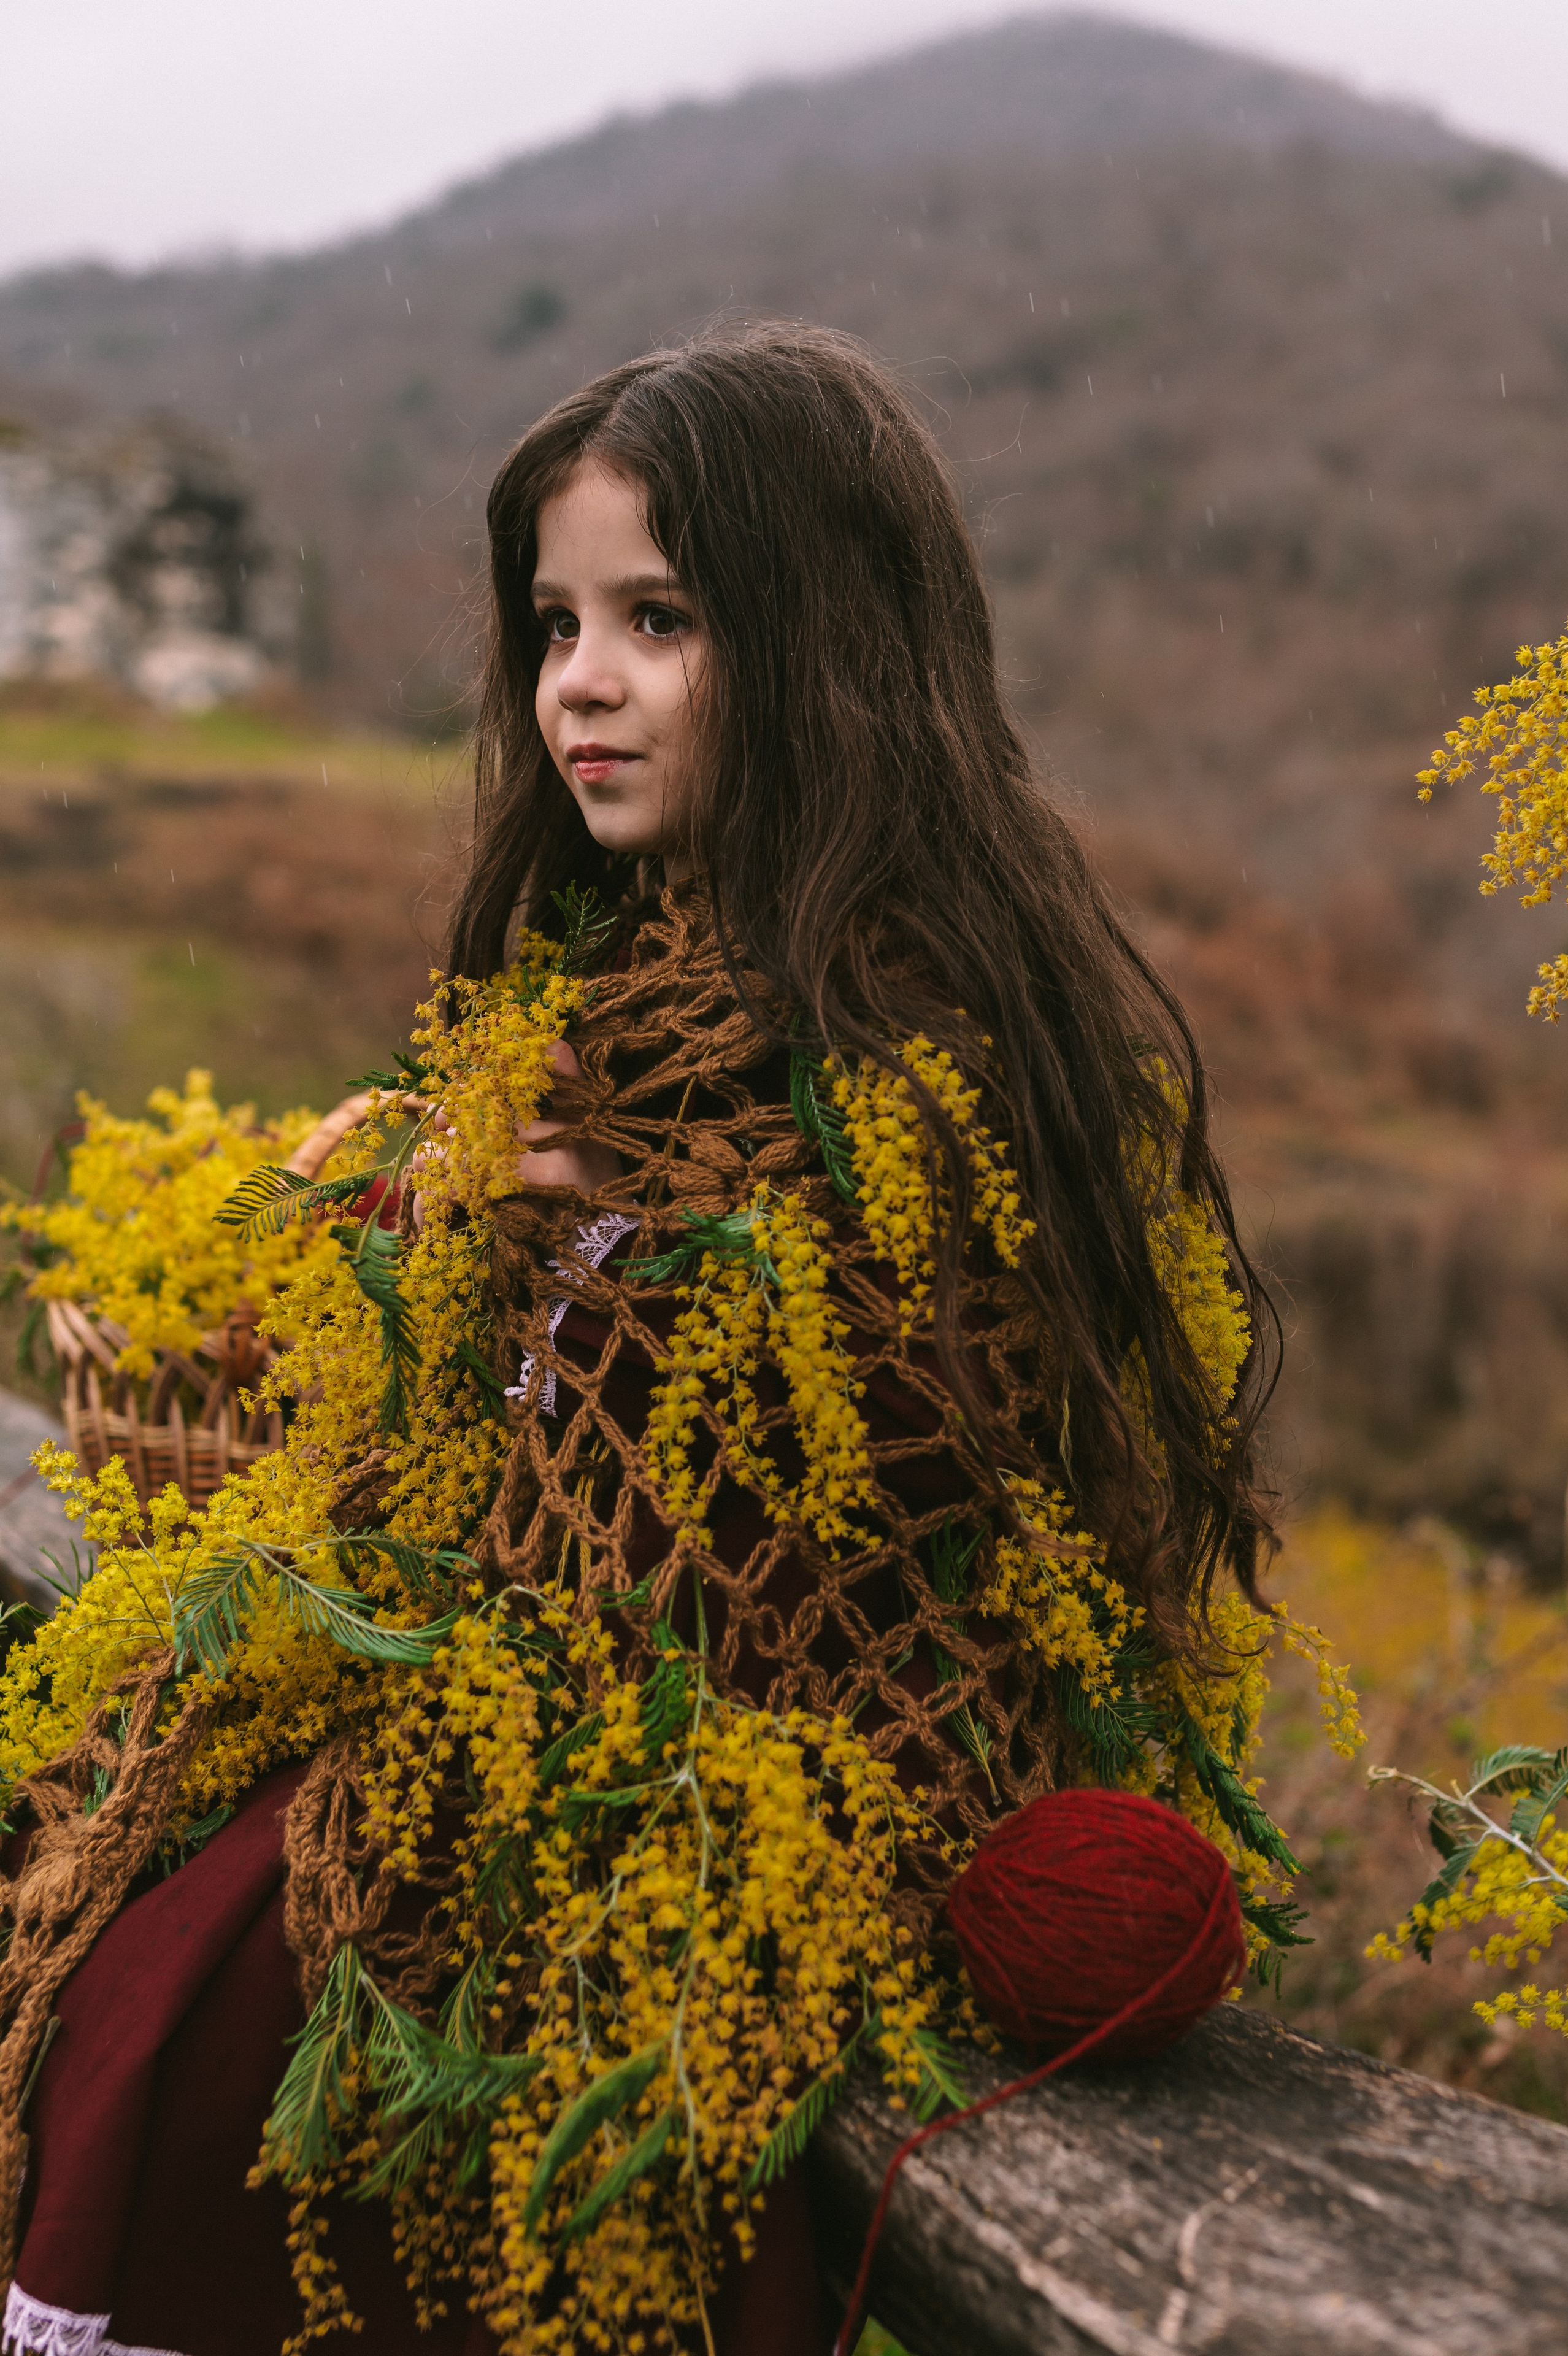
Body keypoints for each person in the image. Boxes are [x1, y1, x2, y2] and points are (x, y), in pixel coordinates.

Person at [0, 322, 1280, 2356]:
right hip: (447, 1815)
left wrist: (605, 1258)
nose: (577, 684)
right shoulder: (588, 1020)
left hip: (657, 1888)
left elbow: (824, 1555)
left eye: (658, 621)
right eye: (556, 624)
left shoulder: (925, 1078)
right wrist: (439, 1239)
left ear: (829, 650)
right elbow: (456, 1467)